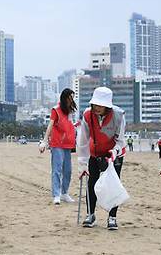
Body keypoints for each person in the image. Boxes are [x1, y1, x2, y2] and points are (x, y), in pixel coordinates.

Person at [77, 87, 126, 231]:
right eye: (95, 104)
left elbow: (121, 140)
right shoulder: (87, 115)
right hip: (95, 151)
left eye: (101, 105)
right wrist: (82, 164)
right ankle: (90, 214)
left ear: (107, 105)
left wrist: (113, 153)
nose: (97, 108)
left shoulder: (119, 115)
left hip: (114, 153)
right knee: (91, 183)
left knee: (113, 184)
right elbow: (83, 141)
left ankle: (112, 217)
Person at [39, 88, 77, 205]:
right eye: (70, 98)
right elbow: (50, 126)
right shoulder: (56, 110)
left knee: (68, 170)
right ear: (64, 98)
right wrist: (44, 142)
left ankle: (64, 193)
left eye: (72, 98)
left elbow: (70, 126)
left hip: (68, 144)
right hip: (57, 144)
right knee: (57, 169)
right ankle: (56, 195)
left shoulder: (70, 111)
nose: (71, 100)